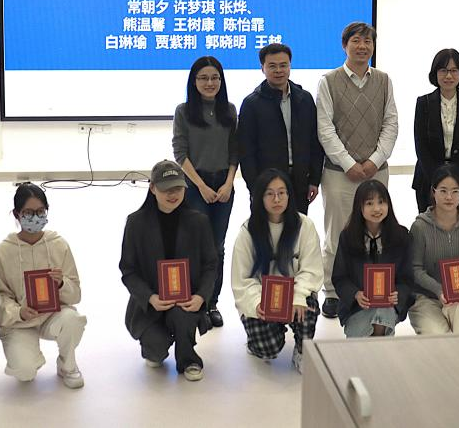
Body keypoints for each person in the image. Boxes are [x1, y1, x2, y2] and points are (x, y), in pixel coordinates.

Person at [317, 21, 398, 319]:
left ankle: (371, 287)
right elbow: (325, 128)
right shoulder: (328, 81)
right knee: (337, 232)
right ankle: (332, 291)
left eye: (368, 41)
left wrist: (374, 160)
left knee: (376, 229)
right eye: (356, 41)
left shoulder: (384, 81)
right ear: (344, 45)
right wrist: (349, 163)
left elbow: (391, 123)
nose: (362, 46)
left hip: (376, 171)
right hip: (339, 173)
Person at [120, 160, 217, 381]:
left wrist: (201, 296)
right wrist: (150, 297)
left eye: (178, 188)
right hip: (151, 302)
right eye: (166, 189)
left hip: (185, 300)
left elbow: (211, 265)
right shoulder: (136, 223)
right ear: (153, 188)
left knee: (182, 317)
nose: (172, 194)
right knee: (155, 353)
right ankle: (155, 344)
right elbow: (128, 270)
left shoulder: (199, 222)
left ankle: (188, 358)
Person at [0, 182, 87, 387]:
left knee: (73, 320)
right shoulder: (3, 251)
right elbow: (0, 296)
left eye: (40, 211)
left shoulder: (58, 244)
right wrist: (18, 312)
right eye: (28, 212)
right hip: (20, 322)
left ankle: (67, 365)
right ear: (16, 214)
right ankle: (27, 356)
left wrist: (61, 284)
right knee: (24, 372)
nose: (35, 217)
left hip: (52, 315)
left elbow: (76, 293)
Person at [232, 169, 323, 372]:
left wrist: (298, 296)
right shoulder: (248, 231)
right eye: (270, 193)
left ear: (289, 195)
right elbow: (242, 279)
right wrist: (257, 303)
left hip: (294, 293)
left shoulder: (304, 225)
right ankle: (259, 341)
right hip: (263, 297)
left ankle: (302, 349)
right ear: (259, 198)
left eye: (282, 193)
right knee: (267, 348)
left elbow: (311, 269)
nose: (276, 199)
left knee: (307, 308)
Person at [173, 55, 238, 328]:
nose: (209, 83)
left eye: (214, 78)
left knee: (217, 247)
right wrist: (200, 185)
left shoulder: (229, 110)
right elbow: (180, 153)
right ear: (194, 81)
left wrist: (228, 183)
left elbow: (235, 150)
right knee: (196, 246)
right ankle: (194, 301)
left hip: (223, 185)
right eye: (203, 78)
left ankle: (212, 303)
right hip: (194, 185)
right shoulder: (184, 111)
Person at [237, 42, 325, 215]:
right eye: (272, 66)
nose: (278, 70)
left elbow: (315, 142)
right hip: (267, 184)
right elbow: (246, 151)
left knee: (297, 228)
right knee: (266, 230)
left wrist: (314, 180)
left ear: (290, 66)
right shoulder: (251, 104)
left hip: (300, 181)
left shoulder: (304, 99)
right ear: (262, 68)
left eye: (283, 65)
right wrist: (255, 187)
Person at [407, 166, 459, 334]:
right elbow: (415, 269)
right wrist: (439, 290)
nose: (449, 197)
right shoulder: (420, 226)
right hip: (426, 298)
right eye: (443, 191)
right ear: (433, 192)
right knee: (437, 336)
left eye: (455, 191)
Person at [331, 180, 411, 337]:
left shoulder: (401, 235)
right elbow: (339, 277)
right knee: (363, 341)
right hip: (357, 306)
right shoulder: (347, 237)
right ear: (359, 207)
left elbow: (408, 276)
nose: (376, 209)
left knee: (381, 316)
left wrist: (398, 293)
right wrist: (355, 294)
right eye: (369, 203)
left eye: (381, 202)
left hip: (388, 304)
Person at [412, 48, 459, 212]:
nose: (448, 76)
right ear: (435, 73)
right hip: (428, 178)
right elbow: (420, 144)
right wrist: (438, 179)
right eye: (443, 70)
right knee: (429, 225)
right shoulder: (423, 103)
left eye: (454, 70)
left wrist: (457, 179)